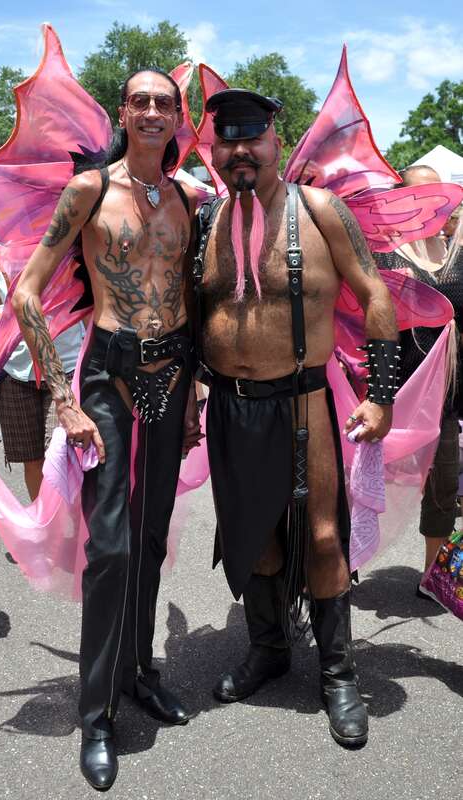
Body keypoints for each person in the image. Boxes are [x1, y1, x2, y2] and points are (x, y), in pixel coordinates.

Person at [11, 69, 201, 790]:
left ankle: (139, 672)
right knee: (112, 548)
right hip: (105, 380)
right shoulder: (89, 189)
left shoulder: (186, 198)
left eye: (164, 103)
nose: (152, 111)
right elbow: (27, 293)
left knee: (149, 539)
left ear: (177, 117)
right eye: (140, 101)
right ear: (124, 112)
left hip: (171, 378)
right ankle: (96, 717)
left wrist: (192, 392)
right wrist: (62, 397)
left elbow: (187, 296)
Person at [193, 89, 398, 748]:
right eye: (227, 140)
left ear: (275, 143)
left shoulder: (320, 211)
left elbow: (375, 295)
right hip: (231, 406)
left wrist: (381, 394)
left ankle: (338, 673)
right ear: (214, 151)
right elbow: (186, 311)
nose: (240, 151)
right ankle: (270, 650)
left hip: (303, 399)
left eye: (252, 138)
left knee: (322, 538)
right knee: (253, 537)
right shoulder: (205, 219)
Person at [374, 165, 463, 594]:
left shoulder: (452, 252)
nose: (434, 203)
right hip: (394, 391)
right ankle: (336, 563)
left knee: (444, 484)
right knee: (361, 478)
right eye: (422, 194)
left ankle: (433, 577)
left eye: (439, 194)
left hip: (445, 393)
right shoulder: (383, 256)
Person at [0, 256, 85, 500]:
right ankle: (42, 518)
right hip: (16, 371)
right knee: (32, 460)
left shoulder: (66, 249)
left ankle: (68, 518)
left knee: (59, 455)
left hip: (64, 367)